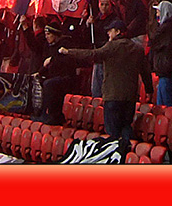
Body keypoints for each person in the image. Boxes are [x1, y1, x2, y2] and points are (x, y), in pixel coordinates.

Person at [59, 19, 153, 147]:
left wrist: (69, 52)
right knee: (126, 126)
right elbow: (145, 72)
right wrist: (149, 90)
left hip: (113, 95)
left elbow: (92, 54)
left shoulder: (112, 47)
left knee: (113, 132)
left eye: (110, 31)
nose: (109, 34)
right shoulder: (137, 49)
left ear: (118, 32)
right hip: (130, 96)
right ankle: (128, 153)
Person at [35, 24, 77, 125]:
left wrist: (52, 60)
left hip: (66, 77)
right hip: (52, 75)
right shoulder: (47, 46)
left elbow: (64, 61)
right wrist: (39, 73)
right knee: (39, 81)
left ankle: (55, 115)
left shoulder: (66, 44)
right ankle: (40, 113)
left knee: (49, 85)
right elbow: (45, 65)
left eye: (48, 34)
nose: (46, 36)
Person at [147, 0, 172, 106]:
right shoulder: (168, 27)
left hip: (166, 70)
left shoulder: (168, 28)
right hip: (163, 72)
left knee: (167, 105)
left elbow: (154, 41)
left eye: (158, 12)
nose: (156, 15)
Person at [87, 0, 121, 97]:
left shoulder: (114, 20)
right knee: (96, 86)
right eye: (102, 4)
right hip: (97, 54)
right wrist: (88, 25)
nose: (104, 7)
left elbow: (104, 33)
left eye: (106, 4)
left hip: (106, 54)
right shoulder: (96, 18)